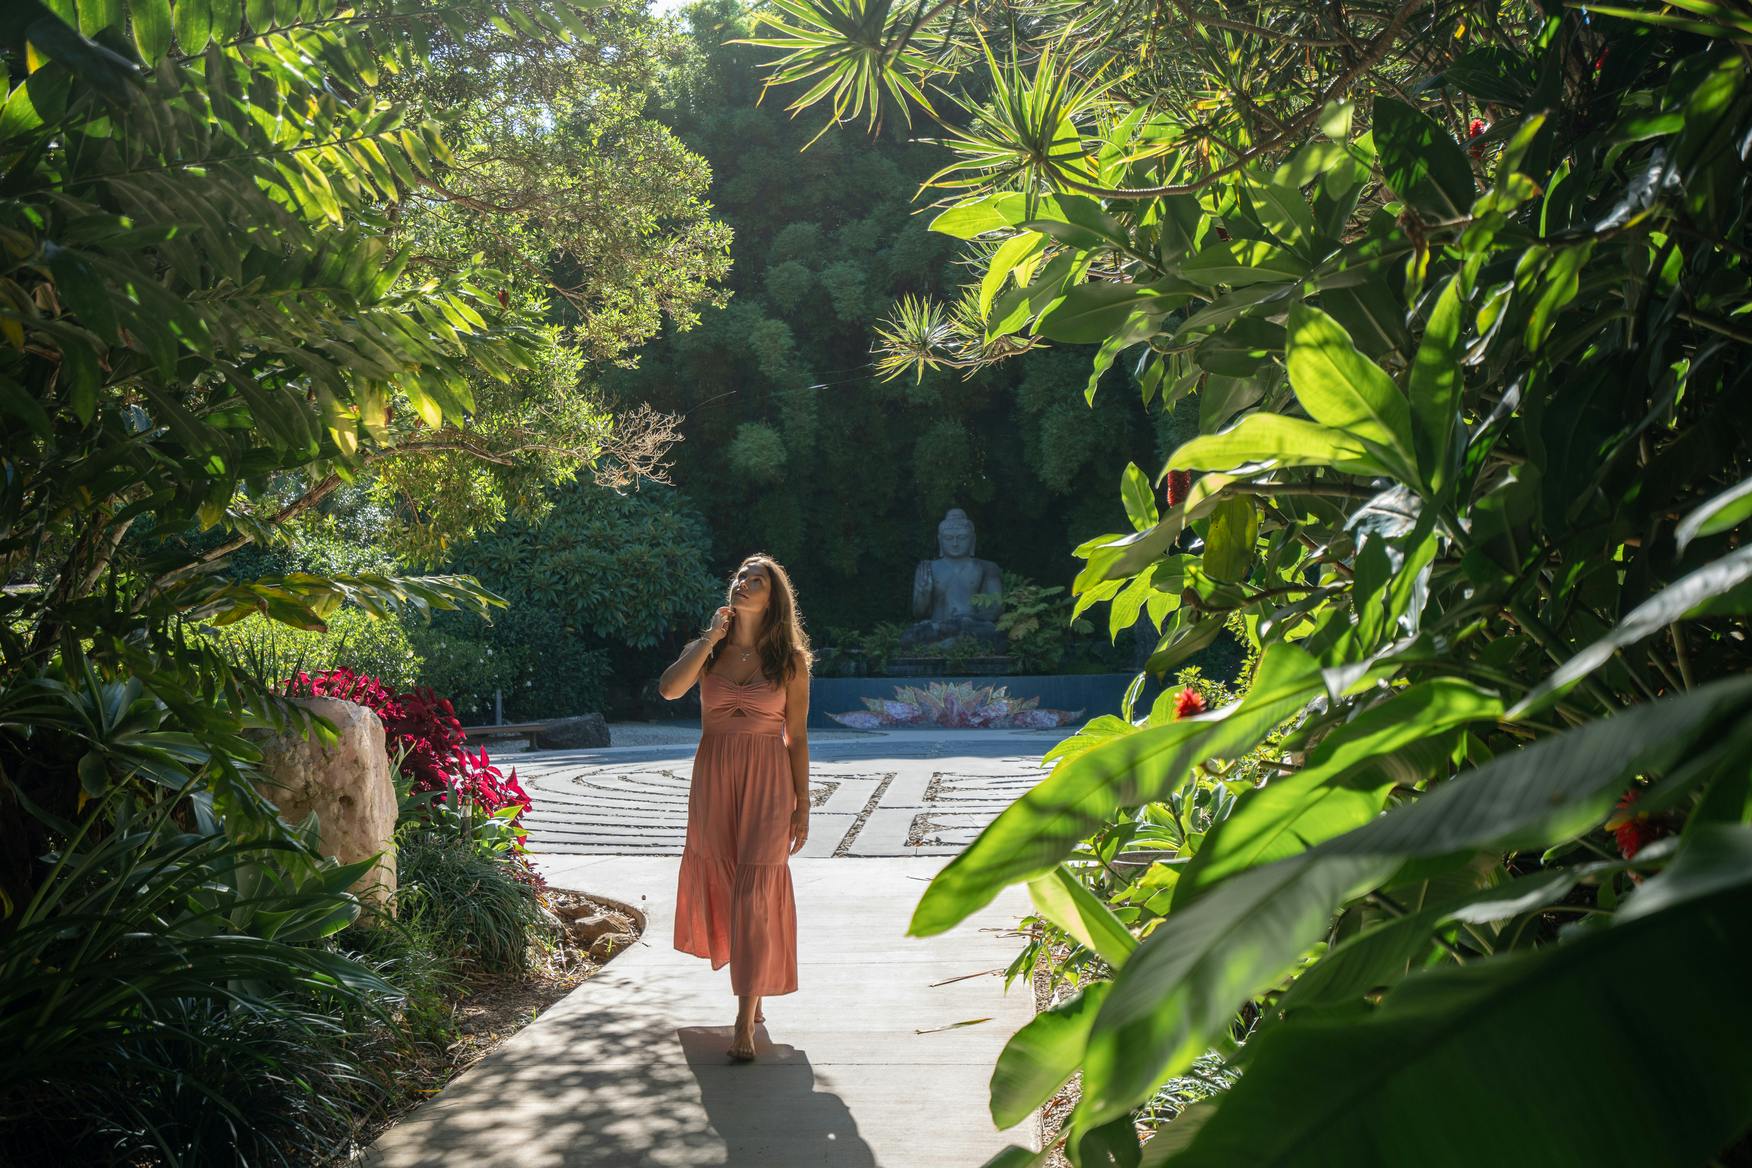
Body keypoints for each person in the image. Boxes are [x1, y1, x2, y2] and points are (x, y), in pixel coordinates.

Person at [657, 553, 813, 1062]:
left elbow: (798, 738)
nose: (744, 583)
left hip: (769, 778)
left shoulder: (790, 661)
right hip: (715, 776)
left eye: (757, 579)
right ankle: (754, 990)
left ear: (774, 598)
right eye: (741, 577)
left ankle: (744, 1021)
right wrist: (709, 638)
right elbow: (669, 689)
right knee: (728, 885)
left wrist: (803, 803)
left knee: (755, 888)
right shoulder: (709, 649)